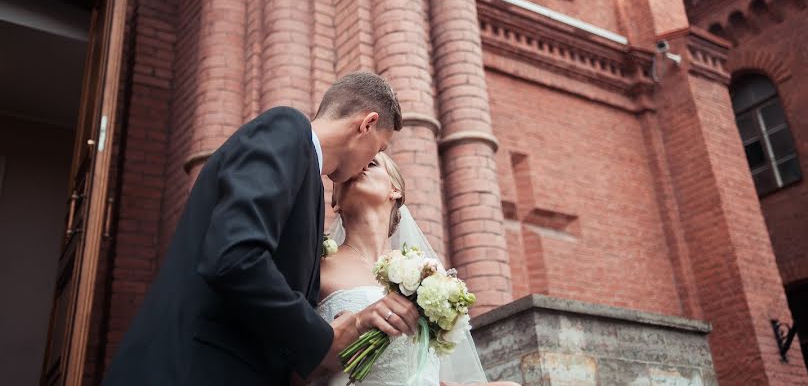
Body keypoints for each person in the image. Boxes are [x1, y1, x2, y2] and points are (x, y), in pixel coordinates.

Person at [102, 72, 421, 386]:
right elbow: (235, 256)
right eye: (379, 149)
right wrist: (323, 338)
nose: (371, 161)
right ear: (366, 124)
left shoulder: (310, 185)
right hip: (193, 369)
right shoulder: (286, 129)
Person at [311, 152, 519, 386]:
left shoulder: (429, 273)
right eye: (349, 169)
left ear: (396, 190)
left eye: (371, 163)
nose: (359, 168)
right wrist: (358, 325)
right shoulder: (316, 268)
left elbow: (429, 370)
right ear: (335, 202)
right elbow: (297, 371)